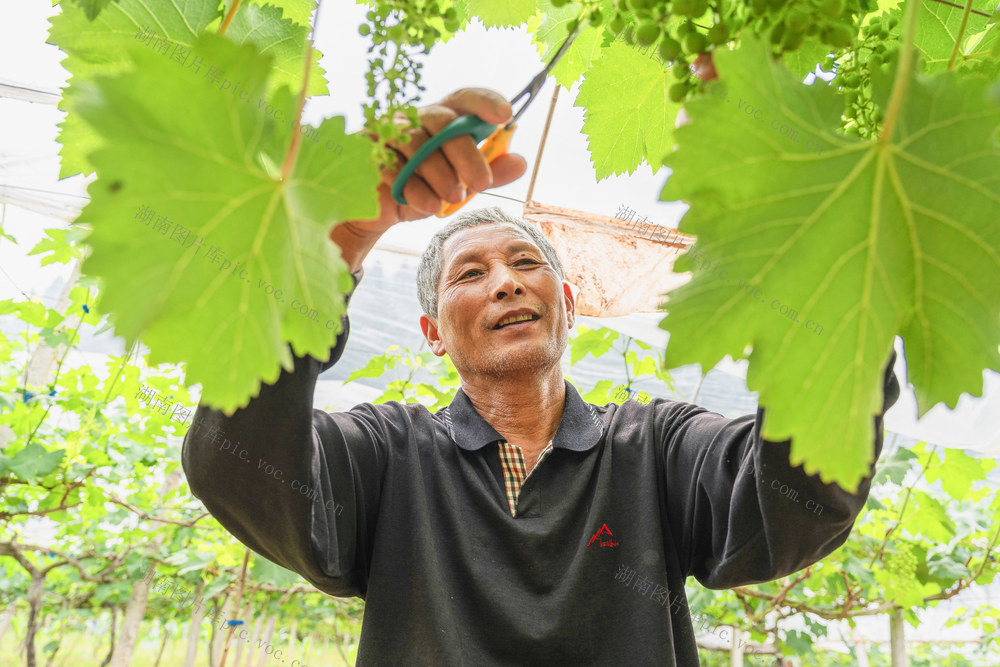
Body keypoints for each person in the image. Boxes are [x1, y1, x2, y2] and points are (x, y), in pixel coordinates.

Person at [182, 87, 900, 665]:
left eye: (528, 264)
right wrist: (334, 247)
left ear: (570, 307)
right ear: (432, 332)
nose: (505, 283)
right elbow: (238, 468)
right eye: (472, 272)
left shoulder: (657, 445)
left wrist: (809, 243)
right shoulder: (387, 453)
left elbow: (800, 501)